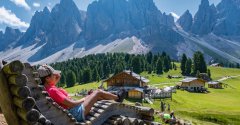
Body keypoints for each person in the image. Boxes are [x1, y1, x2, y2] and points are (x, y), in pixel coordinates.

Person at [37, 64, 127, 122]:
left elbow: (54, 86)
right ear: (47, 78)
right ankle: (118, 97)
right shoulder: (53, 90)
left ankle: (112, 94)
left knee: (92, 93)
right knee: (97, 92)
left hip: (71, 112)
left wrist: (57, 78)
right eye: (54, 75)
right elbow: (72, 104)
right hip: (75, 113)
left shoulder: (47, 88)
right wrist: (84, 99)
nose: (56, 76)